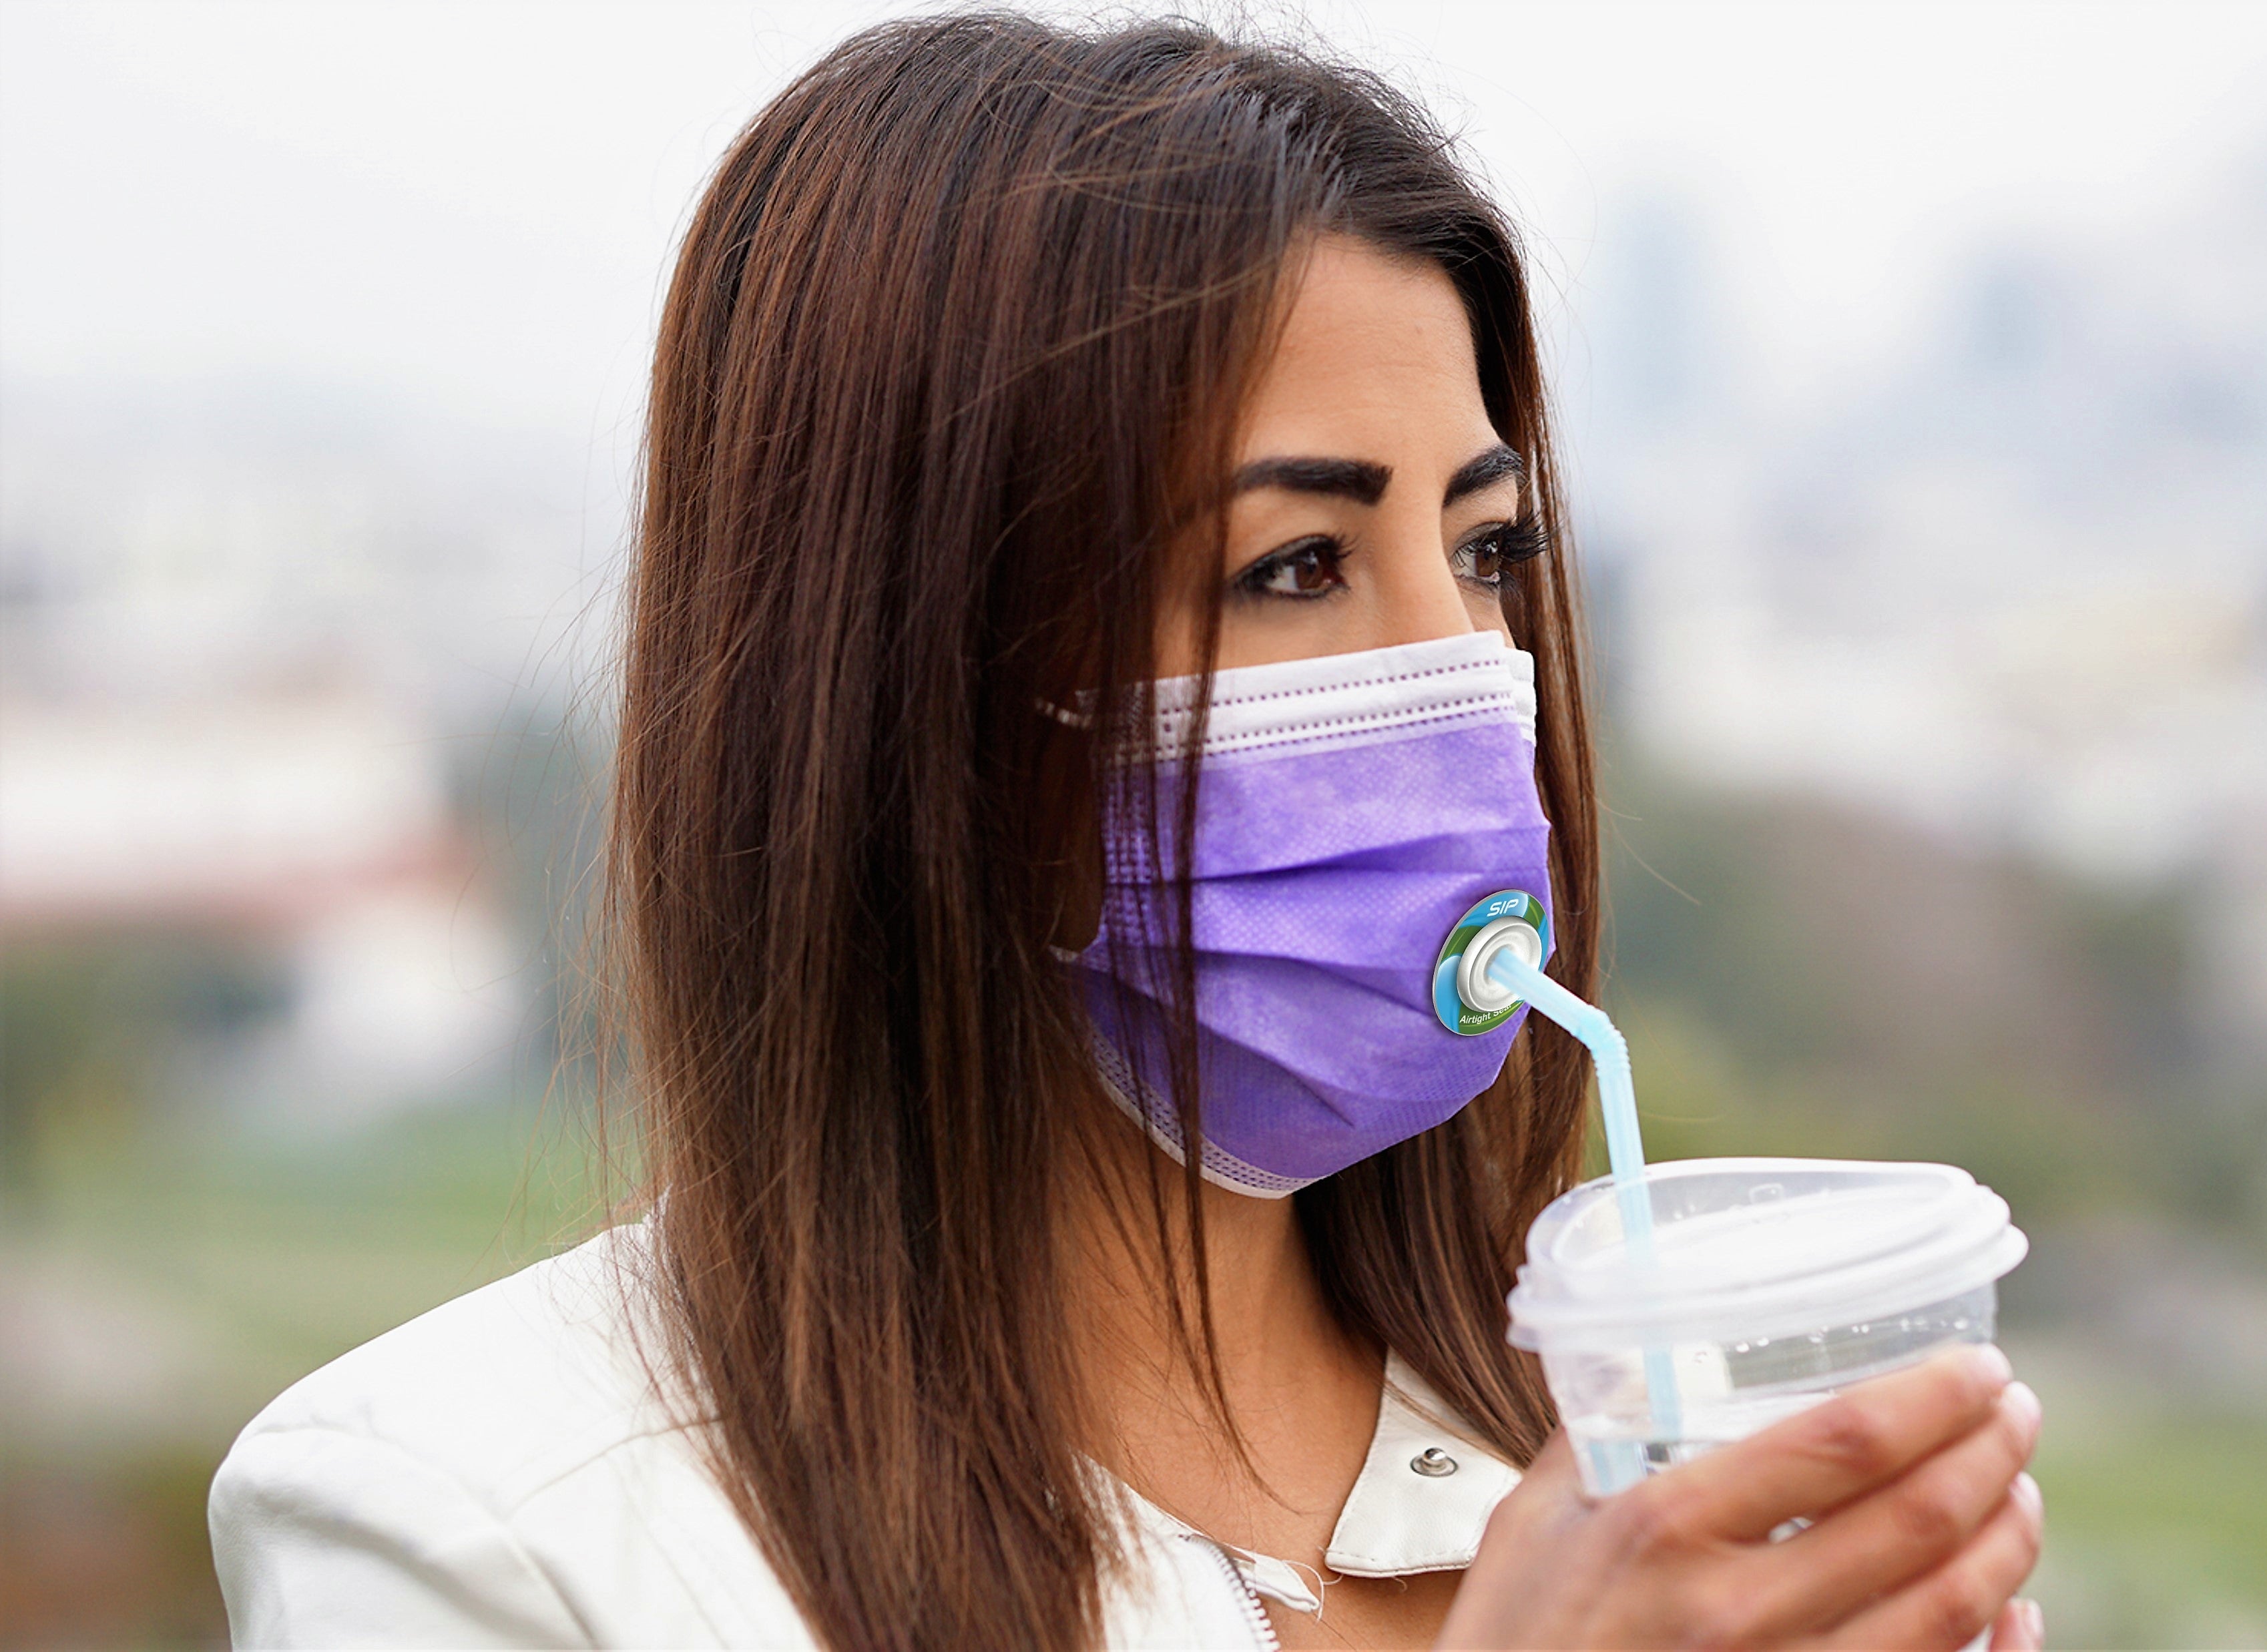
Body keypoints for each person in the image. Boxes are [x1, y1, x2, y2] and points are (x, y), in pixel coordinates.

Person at [206, 13, 2045, 1648]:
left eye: (1489, 552)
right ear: (913, 680)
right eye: (1298, 565)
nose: (1465, 680)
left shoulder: (1612, 1459)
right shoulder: (480, 1526)